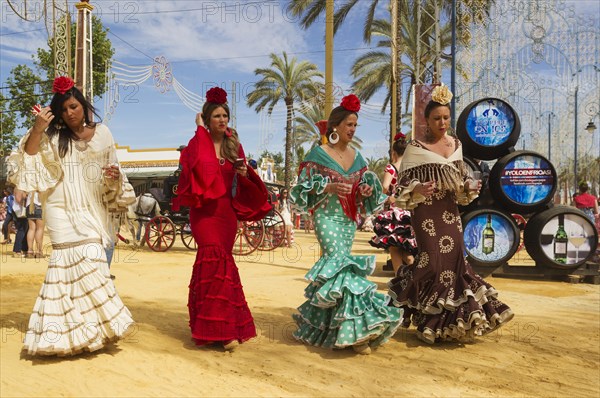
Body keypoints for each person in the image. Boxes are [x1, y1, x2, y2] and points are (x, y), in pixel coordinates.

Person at [7, 76, 135, 356]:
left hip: (92, 207)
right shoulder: (53, 136)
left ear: (84, 106)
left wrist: (114, 176)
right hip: (59, 206)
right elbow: (27, 155)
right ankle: (63, 336)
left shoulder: (103, 133)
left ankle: (93, 330)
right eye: (64, 109)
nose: (70, 113)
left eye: (74, 106)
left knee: (93, 259)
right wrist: (39, 127)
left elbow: (114, 169)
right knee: (65, 266)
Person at [387, 84, 513, 344]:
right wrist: (418, 187)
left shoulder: (456, 144)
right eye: (436, 118)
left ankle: (444, 323)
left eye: (446, 117)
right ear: (427, 121)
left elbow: (461, 178)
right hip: (425, 213)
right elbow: (400, 186)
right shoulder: (415, 147)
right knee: (431, 262)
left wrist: (468, 185)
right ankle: (409, 304)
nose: (442, 122)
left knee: (454, 262)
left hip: (448, 211)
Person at [289, 94, 400, 355]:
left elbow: (371, 190)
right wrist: (327, 186)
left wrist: (363, 189)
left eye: (355, 125)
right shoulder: (318, 154)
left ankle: (326, 328)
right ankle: (357, 333)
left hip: (348, 219)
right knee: (340, 264)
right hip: (326, 217)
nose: (352, 130)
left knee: (338, 271)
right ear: (336, 126)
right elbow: (301, 189)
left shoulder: (357, 156)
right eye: (349, 124)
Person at [174, 87, 271, 351]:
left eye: (225, 115)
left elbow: (243, 181)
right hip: (204, 213)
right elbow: (198, 167)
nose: (222, 120)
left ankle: (223, 327)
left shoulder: (234, 145)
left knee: (223, 268)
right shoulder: (196, 144)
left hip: (226, 213)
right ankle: (217, 331)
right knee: (211, 261)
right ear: (207, 120)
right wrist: (200, 131)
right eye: (216, 116)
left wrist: (242, 172)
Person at [369, 133, 418, 273]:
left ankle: (399, 279)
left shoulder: (391, 168)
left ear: (394, 152)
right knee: (407, 248)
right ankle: (413, 280)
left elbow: (384, 187)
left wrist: (388, 194)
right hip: (408, 211)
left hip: (394, 212)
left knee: (394, 247)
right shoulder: (411, 169)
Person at [25, 191, 45, 258]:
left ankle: (29, 251)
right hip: (39, 206)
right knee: (40, 229)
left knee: (31, 229)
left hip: (29, 206)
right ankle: (39, 251)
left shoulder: (30, 183)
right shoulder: (41, 184)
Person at [11, 191, 29, 257]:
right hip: (19, 211)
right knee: (22, 230)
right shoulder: (20, 187)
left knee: (25, 230)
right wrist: (27, 197)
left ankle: (23, 249)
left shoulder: (20, 187)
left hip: (19, 211)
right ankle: (17, 250)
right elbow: (19, 200)